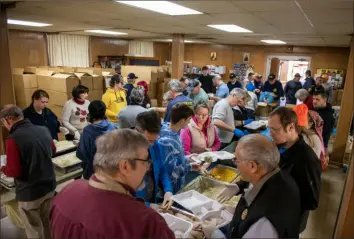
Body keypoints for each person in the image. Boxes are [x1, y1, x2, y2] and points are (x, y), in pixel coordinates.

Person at [50, 129, 175, 239]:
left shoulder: (66, 192)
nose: (147, 168)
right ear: (125, 166)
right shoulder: (146, 222)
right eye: (145, 161)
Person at [217, 134, 301, 238]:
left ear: (253, 166)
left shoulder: (264, 221)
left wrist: (214, 234)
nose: (235, 164)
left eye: (236, 160)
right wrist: (238, 211)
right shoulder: (280, 176)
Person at [1, 105, 56, 239]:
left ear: (8, 120)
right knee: (47, 222)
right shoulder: (43, 129)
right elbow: (53, 150)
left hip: (30, 193)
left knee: (34, 229)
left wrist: (2, 167)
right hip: (49, 186)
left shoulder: (13, 139)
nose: (4, 126)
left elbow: (14, 171)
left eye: (2, 123)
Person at [268, 107, 322, 233]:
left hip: (289, 219)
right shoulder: (278, 146)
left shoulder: (307, 160)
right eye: (269, 129)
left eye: (274, 129)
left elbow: (312, 201)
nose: (270, 133)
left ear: (291, 127)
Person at [134, 111, 173, 209]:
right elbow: (120, 194)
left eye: (154, 140)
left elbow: (162, 170)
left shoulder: (155, 146)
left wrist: (168, 190)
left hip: (151, 198)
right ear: (137, 131)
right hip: (133, 206)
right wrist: (147, 205)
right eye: (149, 140)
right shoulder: (123, 152)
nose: (151, 144)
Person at [158, 103, 200, 193]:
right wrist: (190, 167)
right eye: (188, 120)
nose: (189, 123)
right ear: (182, 121)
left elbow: (175, 157)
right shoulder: (167, 141)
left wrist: (188, 158)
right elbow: (171, 172)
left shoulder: (173, 131)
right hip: (170, 188)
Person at [76, 100, 116, 179]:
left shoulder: (88, 131)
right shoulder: (113, 126)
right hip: (112, 168)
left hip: (94, 171)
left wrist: (79, 145)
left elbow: (83, 154)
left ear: (90, 112)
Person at [293, 104, 327, 168]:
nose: (297, 126)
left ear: (310, 123)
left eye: (299, 124)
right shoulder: (303, 135)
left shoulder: (311, 137)